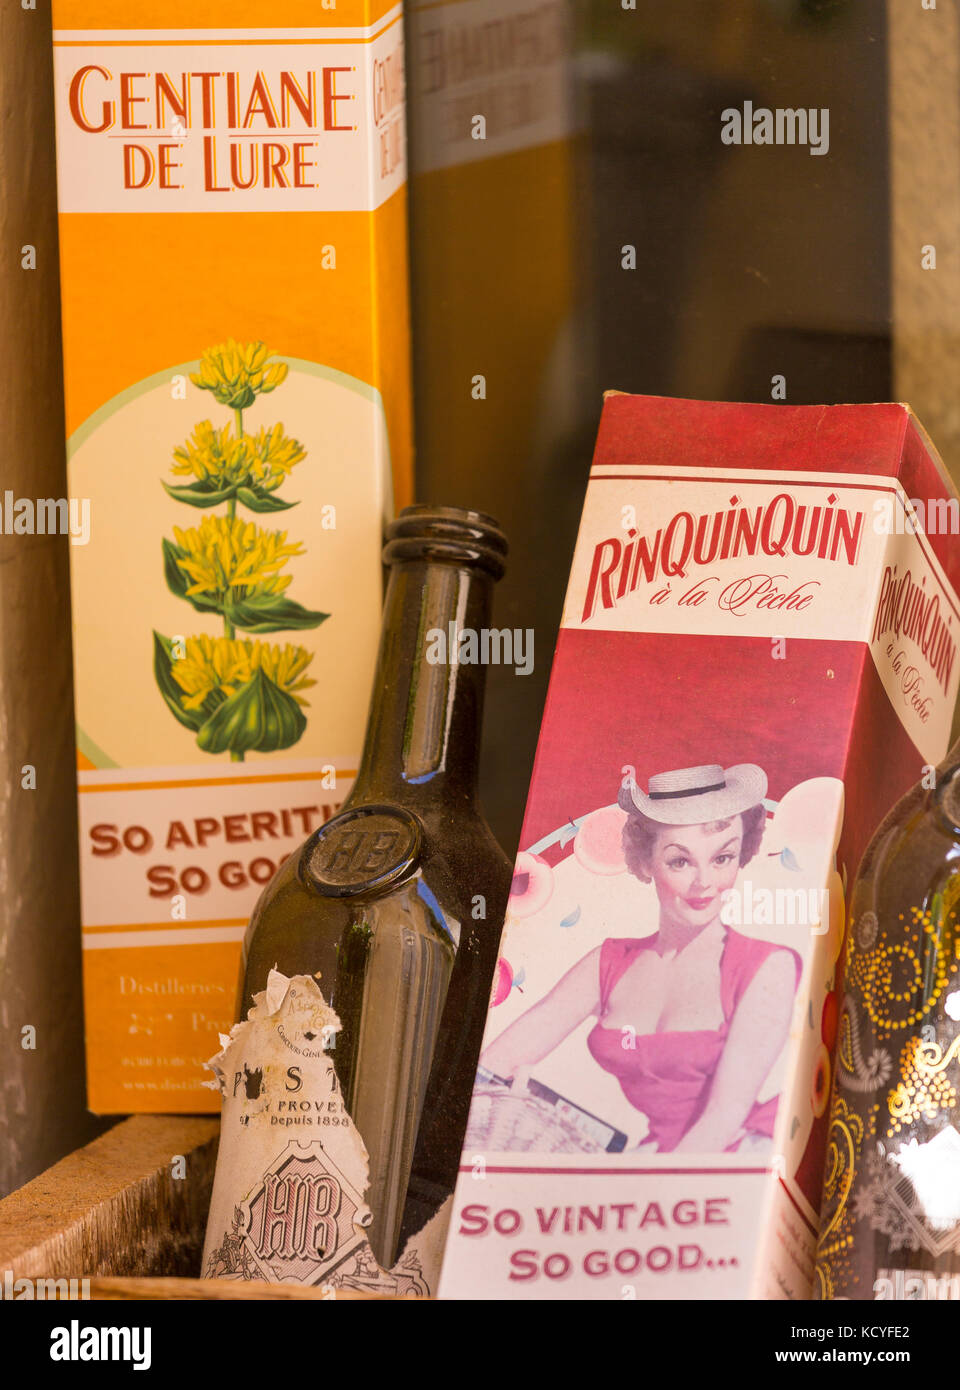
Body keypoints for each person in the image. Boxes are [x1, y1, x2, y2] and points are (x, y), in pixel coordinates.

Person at [481, 763, 802, 1153]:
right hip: (654, 1163)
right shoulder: (609, 962)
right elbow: (495, 1065)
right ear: (647, 862)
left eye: (722, 858)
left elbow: (723, 1114)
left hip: (738, 1159)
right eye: (681, 861)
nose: (704, 882)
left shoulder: (768, 966)